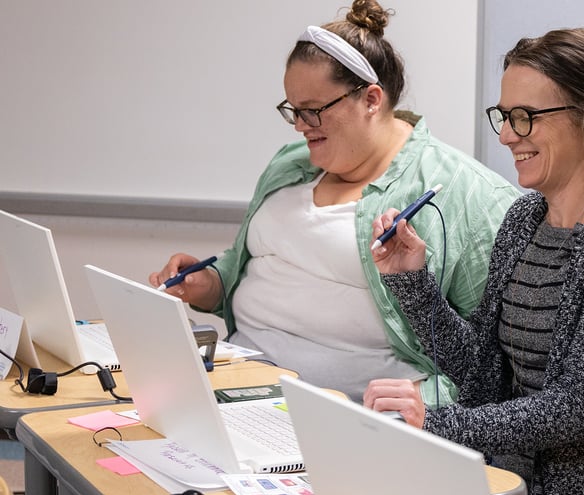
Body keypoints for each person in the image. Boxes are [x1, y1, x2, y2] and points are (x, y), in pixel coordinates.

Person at [364, 28, 584, 495]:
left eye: (525, 117)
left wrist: (436, 423)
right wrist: (413, 282)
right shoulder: (524, 218)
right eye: (504, 117)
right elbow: (484, 376)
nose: (507, 134)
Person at [149, 0, 519, 404]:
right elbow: (247, 266)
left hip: (348, 415)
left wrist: (427, 400)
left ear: (371, 100)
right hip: (237, 383)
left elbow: (496, 365)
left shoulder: (464, 193)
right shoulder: (289, 165)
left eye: (314, 111)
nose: (301, 126)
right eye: (293, 110)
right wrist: (209, 284)